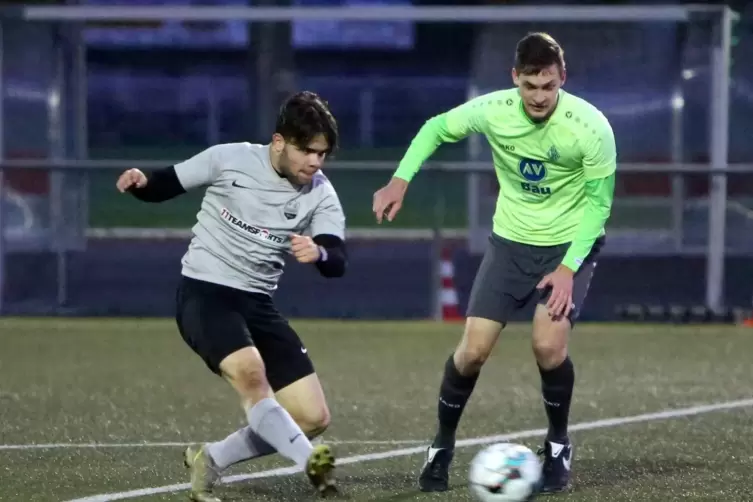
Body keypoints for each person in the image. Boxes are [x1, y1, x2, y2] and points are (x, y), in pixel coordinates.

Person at [372, 32, 616, 494]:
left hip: (569, 249)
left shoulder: (591, 127)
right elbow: (435, 128)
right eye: (529, 85)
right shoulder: (494, 110)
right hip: (509, 245)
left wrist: (567, 269)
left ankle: (558, 446)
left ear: (562, 78)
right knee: (473, 351)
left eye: (547, 85)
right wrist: (400, 180)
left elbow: (599, 206)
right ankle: (441, 445)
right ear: (514, 80)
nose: (539, 96)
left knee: (548, 347)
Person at [116, 91, 347, 502]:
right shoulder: (231, 158)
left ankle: (211, 458)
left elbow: (337, 258)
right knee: (252, 376)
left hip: (257, 303)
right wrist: (141, 183)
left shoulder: (320, 193)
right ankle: (311, 463)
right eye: (307, 151)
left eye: (322, 154)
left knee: (311, 416)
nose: (315, 162)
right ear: (279, 142)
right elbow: (165, 184)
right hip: (205, 293)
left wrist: (321, 252)